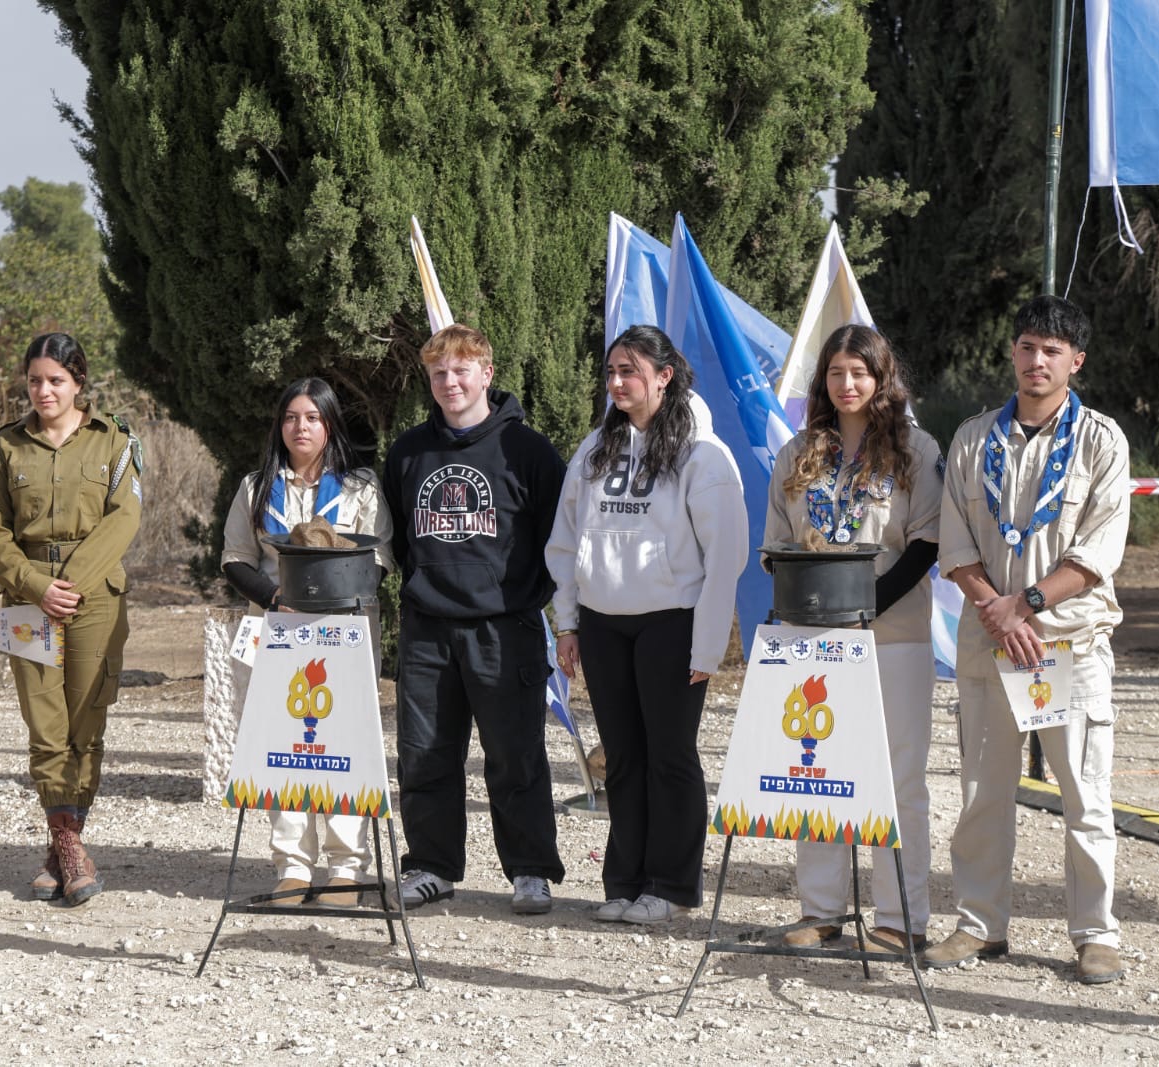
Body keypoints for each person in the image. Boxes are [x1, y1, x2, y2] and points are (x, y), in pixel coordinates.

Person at [929, 295, 1131, 984]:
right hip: (990, 642)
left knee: (1085, 794)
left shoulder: (1102, 440)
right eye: (1026, 346)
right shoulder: (972, 438)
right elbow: (953, 539)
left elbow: (1100, 545)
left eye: (1052, 349)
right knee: (984, 792)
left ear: (1076, 360)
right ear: (1012, 353)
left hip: (1064, 643)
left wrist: (1030, 604)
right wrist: (997, 608)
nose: (1036, 359)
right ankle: (980, 924)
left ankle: (1095, 933)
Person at [545, 324, 749, 924]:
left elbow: (726, 556)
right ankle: (625, 881)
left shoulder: (702, 453)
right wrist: (568, 623)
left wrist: (708, 644)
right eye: (611, 371)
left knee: (670, 755)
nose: (616, 383)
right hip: (605, 624)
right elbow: (565, 542)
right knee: (624, 756)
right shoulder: (594, 449)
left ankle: (672, 887)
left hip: (672, 623)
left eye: (629, 371)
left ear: (664, 376)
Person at [762, 324, 941, 953]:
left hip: (893, 638)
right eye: (836, 372)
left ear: (880, 377)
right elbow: (777, 547)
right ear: (823, 381)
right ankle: (821, 911)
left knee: (898, 780)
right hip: (812, 642)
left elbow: (925, 545)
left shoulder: (916, 451)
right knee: (817, 771)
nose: (847, 383)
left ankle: (900, 919)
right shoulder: (798, 452)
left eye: (859, 372)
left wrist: (867, 608)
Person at [382, 323, 567, 916]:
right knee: (425, 752)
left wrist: (549, 615)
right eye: (439, 373)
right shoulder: (409, 452)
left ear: (487, 374)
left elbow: (556, 543)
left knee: (515, 754)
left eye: (461, 370)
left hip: (503, 626)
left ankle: (531, 871)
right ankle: (432, 866)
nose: (450, 382)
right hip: (427, 629)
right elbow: (401, 541)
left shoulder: (529, 451)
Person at [0, 332, 142, 907]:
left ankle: (59, 846)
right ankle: (70, 848)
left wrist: (70, 584)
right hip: (27, 601)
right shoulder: (5, 447)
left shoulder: (114, 441)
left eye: (55, 380)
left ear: (78, 383)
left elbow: (125, 517)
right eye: (34, 381)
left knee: (85, 721)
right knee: (44, 725)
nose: (43, 391)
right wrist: (36, 586)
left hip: (93, 596)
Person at [220, 377, 395, 907]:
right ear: (281, 425)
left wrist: (328, 600)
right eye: (292, 417)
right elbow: (234, 559)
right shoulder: (256, 487)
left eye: (313, 418)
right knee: (283, 748)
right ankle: (292, 867)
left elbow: (380, 558)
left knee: (342, 747)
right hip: (276, 633)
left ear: (330, 425)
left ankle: (346, 868)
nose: (301, 427)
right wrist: (277, 598)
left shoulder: (359, 488)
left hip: (342, 633)